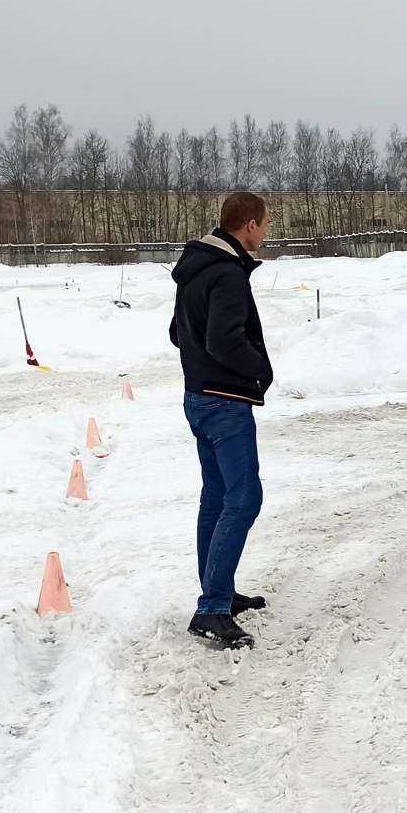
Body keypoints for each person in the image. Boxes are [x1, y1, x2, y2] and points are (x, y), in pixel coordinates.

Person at [168, 192, 275, 650]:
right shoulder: (228, 275)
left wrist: (204, 367)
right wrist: (260, 369)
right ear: (249, 225)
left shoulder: (196, 268)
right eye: (266, 223)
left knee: (217, 498)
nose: (267, 231)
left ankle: (220, 593)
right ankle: (211, 608)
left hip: (199, 398)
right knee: (244, 499)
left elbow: (178, 332)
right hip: (224, 403)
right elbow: (223, 340)